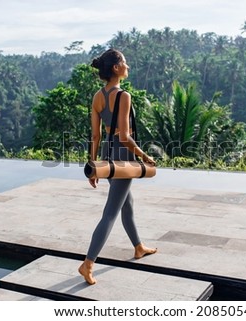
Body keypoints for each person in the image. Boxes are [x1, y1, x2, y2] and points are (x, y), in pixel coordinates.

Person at [79, 49, 157, 285]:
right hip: (123, 155)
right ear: (115, 68)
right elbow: (124, 136)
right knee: (111, 212)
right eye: (124, 62)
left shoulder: (97, 96)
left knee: (127, 203)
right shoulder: (123, 96)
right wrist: (144, 156)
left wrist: (94, 165)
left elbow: (95, 135)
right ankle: (88, 263)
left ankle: (138, 247)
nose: (128, 66)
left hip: (107, 154)